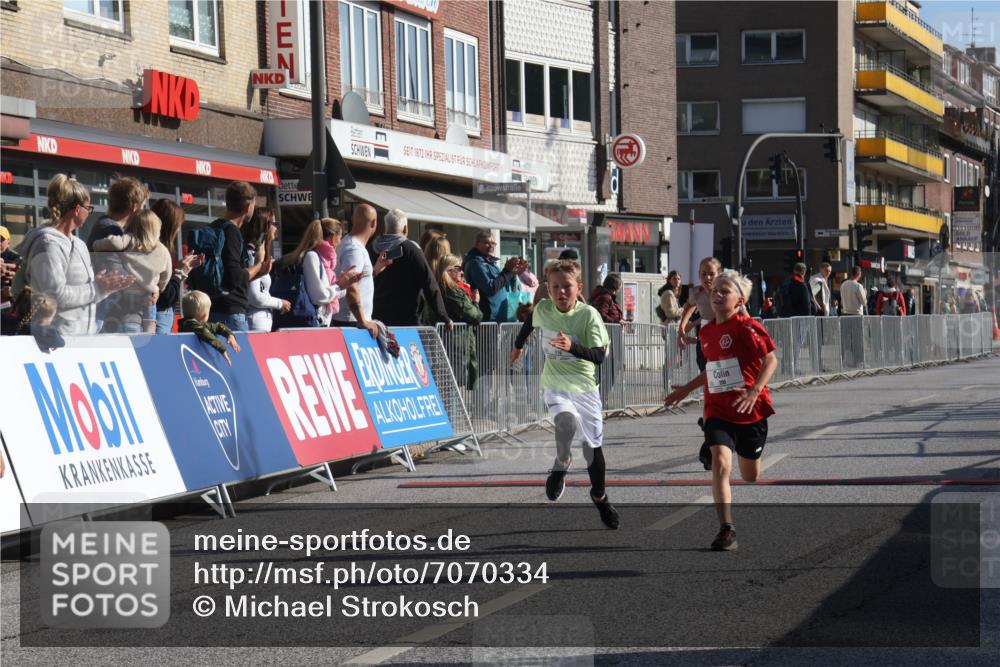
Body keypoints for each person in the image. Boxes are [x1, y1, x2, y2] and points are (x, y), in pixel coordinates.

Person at [664, 270, 778, 551]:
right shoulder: (707, 330)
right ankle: (726, 528)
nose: (716, 295)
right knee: (720, 464)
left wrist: (754, 391)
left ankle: (735, 445)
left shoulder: (749, 328)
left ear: (739, 300)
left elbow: (771, 360)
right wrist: (686, 389)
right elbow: (712, 371)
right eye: (715, 290)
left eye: (724, 291)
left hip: (749, 409)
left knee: (750, 476)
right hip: (718, 407)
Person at [510, 259, 618, 529]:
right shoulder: (544, 308)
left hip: (584, 388)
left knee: (592, 449)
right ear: (548, 288)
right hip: (555, 384)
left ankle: (600, 497)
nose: (560, 292)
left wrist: (572, 347)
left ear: (578, 287)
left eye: (567, 287)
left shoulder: (588, 316)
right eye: (555, 287)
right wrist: (518, 346)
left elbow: (599, 356)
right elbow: (530, 324)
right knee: (566, 423)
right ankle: (562, 461)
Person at [16, 174, 133, 336]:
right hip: (57, 339)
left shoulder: (78, 244)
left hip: (82, 339)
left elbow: (85, 295)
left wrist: (106, 287)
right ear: (77, 210)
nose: (89, 213)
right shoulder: (48, 244)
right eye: (88, 208)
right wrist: (96, 288)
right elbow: (52, 295)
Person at [92, 210, 173, 333]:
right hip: (148, 294)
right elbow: (166, 275)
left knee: (103, 307)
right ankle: (150, 334)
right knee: (150, 319)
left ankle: (95, 328)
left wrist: (96, 245)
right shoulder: (163, 250)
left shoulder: (130, 239)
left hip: (124, 290)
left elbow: (113, 242)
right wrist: (159, 287)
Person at [86, 176, 148, 331]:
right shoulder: (110, 231)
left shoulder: (107, 227)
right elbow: (116, 275)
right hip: (110, 317)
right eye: (143, 206)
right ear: (134, 207)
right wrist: (145, 288)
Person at [372, 209, 451, 328]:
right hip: (407, 320)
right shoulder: (411, 250)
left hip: (377, 318)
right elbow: (429, 283)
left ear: (386, 227)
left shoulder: (371, 248)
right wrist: (443, 316)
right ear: (405, 229)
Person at [207, 181, 269, 331]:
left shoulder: (213, 226)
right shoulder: (232, 232)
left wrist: (258, 272)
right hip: (231, 313)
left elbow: (227, 277)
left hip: (212, 308)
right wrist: (259, 264)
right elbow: (235, 277)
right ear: (248, 207)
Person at [278, 218, 362, 327]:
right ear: (332, 238)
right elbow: (318, 296)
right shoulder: (312, 257)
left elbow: (325, 292)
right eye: (340, 237)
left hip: (320, 323)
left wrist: (343, 284)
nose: (340, 242)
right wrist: (340, 285)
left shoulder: (323, 260)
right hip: (311, 324)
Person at [334, 203, 391, 336]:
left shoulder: (350, 244)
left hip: (352, 321)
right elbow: (351, 286)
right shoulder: (354, 249)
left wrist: (375, 269)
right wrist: (363, 321)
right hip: (352, 322)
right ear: (374, 222)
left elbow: (356, 280)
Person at [150, 199, 203, 334]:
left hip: (160, 314)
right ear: (170, 225)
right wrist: (180, 272)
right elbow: (166, 295)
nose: (179, 229)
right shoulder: (157, 251)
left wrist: (184, 269)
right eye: (178, 225)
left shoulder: (154, 249)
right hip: (159, 315)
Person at [434, 254, 483, 388]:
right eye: (459, 268)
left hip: (452, 343)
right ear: (449, 270)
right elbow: (476, 316)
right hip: (456, 344)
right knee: (452, 387)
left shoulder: (439, 288)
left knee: (450, 386)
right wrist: (475, 302)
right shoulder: (452, 292)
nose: (462, 272)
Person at [463, 230, 528, 323]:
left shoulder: (490, 263)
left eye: (493, 243)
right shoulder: (475, 264)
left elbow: (501, 283)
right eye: (486, 243)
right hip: (488, 318)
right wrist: (507, 271)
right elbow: (491, 288)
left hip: (498, 317)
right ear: (477, 244)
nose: (491, 246)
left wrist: (513, 273)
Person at [242, 207, 290, 332]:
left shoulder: (258, 254)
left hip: (261, 321)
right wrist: (280, 303)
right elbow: (255, 296)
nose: (276, 228)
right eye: (273, 224)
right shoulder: (251, 255)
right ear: (264, 226)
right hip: (255, 322)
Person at [677, 257, 722, 372]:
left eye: (712, 274)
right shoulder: (696, 293)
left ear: (719, 274)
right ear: (699, 275)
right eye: (704, 274)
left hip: (722, 334)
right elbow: (689, 306)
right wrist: (682, 327)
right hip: (705, 336)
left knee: (720, 369)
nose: (708, 278)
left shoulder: (725, 292)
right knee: (703, 366)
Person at [179, 290, 241, 365]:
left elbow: (217, 326)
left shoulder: (201, 324)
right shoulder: (188, 324)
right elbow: (204, 332)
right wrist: (222, 348)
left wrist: (230, 335)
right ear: (204, 315)